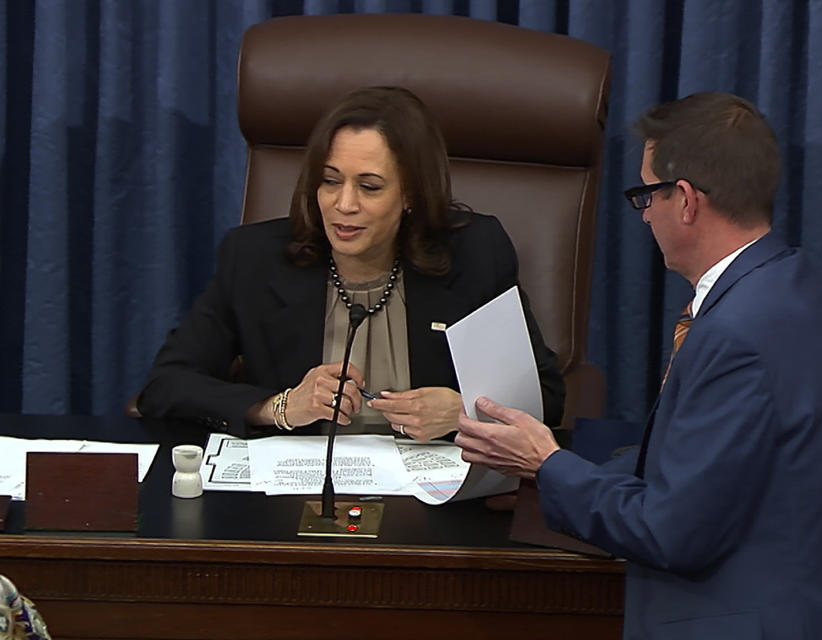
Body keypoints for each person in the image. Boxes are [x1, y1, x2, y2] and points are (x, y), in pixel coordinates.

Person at [456, 92, 822, 639]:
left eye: (647, 194)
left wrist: (547, 465)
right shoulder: (799, 287)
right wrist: (545, 481)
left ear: (687, 201)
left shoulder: (735, 335)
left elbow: (670, 531)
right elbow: (706, 469)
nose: (645, 213)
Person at [138, 86, 564, 440]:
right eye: (330, 181)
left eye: (370, 187)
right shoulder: (254, 258)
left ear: (411, 195)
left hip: (438, 501)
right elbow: (166, 384)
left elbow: (546, 394)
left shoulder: (473, 253)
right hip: (292, 498)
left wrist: (463, 412)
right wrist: (280, 407)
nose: (344, 205)